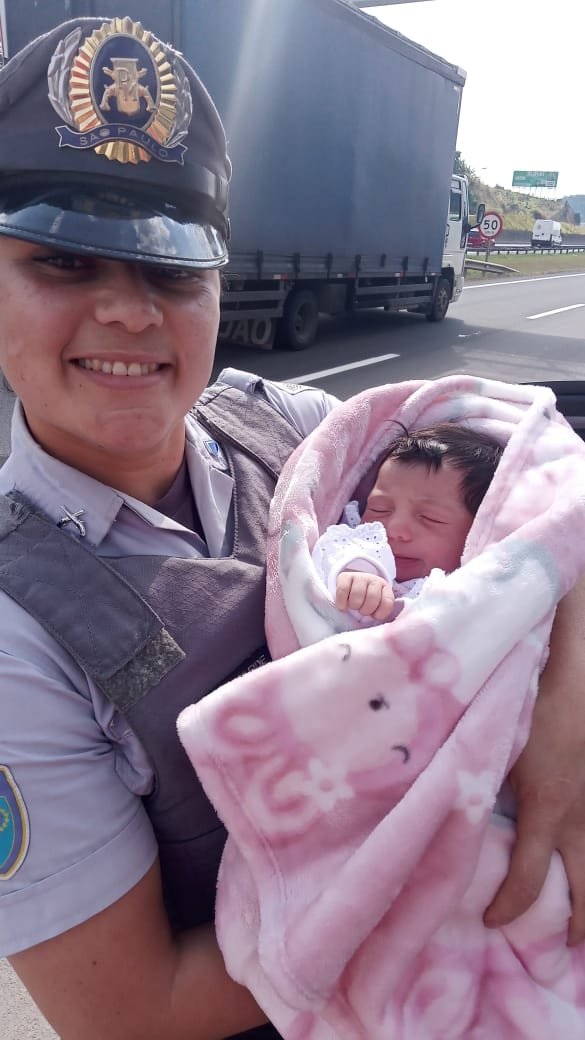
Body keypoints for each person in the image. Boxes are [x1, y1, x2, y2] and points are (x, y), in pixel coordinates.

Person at [0, 15, 584, 1040]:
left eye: (173, 271)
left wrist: (564, 714)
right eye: (65, 263)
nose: (132, 313)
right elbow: (132, 1009)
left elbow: (544, 499)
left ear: (220, 283)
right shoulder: (17, 637)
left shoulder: (298, 432)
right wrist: (430, 888)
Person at [312, 423, 503, 622]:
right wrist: (354, 572)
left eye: (430, 518)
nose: (394, 530)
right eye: (380, 509)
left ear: (478, 530)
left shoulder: (481, 589)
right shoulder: (354, 544)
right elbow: (325, 554)